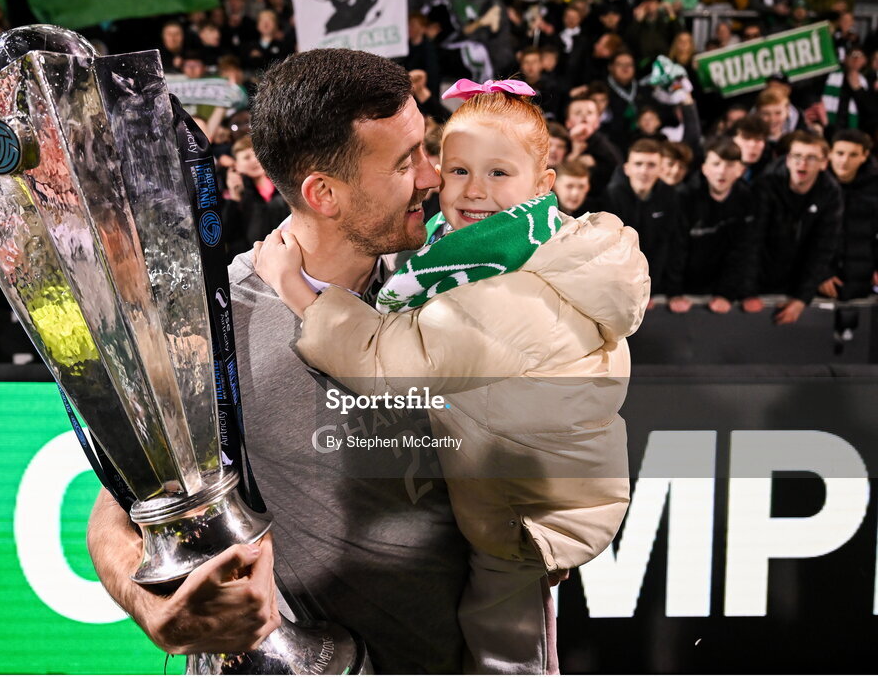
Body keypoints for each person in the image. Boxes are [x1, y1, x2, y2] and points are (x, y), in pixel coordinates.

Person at [87, 49, 470, 674]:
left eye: (425, 150)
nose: (433, 178)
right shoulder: (208, 321)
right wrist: (152, 606)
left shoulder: (452, 289)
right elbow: (116, 510)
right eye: (406, 162)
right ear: (323, 193)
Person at [253, 78, 648, 674]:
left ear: (544, 185)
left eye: (497, 174)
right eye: (450, 166)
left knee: (505, 653)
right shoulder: (473, 254)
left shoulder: (512, 279)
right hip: (505, 502)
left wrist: (297, 290)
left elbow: (387, 360)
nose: (446, 184)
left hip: (529, 512)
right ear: (323, 192)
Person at [742, 131, 843, 324]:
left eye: (811, 158)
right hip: (761, 275)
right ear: (788, 159)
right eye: (796, 156)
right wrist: (748, 292)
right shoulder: (766, 184)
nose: (802, 163)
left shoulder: (830, 193)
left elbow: (822, 248)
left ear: (824, 163)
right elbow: (751, 241)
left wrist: (801, 299)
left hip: (795, 276)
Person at [664, 136, 754, 313]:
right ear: (704, 169)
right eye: (716, 164)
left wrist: (726, 293)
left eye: (729, 165)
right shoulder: (684, 198)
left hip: (720, 290)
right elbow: (675, 248)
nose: (722, 172)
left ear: (740, 170)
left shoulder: (747, 199)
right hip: (683, 288)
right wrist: (674, 293)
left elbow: (743, 250)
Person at [605, 137, 678, 298]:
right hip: (617, 285)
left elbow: (669, 244)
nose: (644, 171)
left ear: (660, 169)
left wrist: (652, 289)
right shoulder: (612, 195)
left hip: (656, 284)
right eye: (638, 164)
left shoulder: (669, 196)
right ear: (626, 168)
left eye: (651, 165)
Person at [820, 129, 878, 300]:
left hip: (864, 283)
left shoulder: (874, 188)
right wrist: (819, 273)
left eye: (853, 155)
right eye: (840, 153)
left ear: (865, 155)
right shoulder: (815, 184)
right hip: (819, 283)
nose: (844, 161)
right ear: (830, 153)